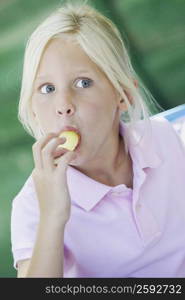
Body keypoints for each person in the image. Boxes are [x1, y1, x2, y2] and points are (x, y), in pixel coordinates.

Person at [11, 0, 185, 278]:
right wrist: (53, 216)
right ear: (32, 107)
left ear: (123, 94)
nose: (63, 105)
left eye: (83, 83)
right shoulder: (33, 204)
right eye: (47, 88)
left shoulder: (166, 139)